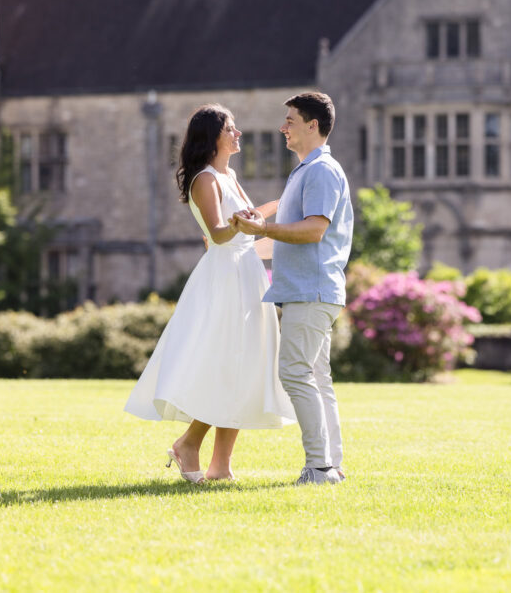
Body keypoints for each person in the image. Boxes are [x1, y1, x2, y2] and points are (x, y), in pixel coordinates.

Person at [125, 103, 296, 484]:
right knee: (226, 364)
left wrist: (268, 216)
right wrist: (242, 224)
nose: (238, 134)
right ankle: (188, 443)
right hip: (226, 277)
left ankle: (221, 467)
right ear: (213, 135)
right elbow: (217, 234)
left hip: (247, 273)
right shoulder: (205, 179)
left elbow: (241, 223)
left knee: (245, 365)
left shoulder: (229, 175)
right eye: (231, 128)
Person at [234, 92, 353, 486]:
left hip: (312, 291)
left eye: (290, 120)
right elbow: (288, 239)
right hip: (310, 289)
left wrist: (262, 228)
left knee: (295, 373)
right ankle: (330, 464)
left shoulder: (320, 170)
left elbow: (314, 230)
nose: (283, 127)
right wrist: (242, 247)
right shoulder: (305, 171)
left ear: (312, 125)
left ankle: (319, 468)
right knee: (316, 377)